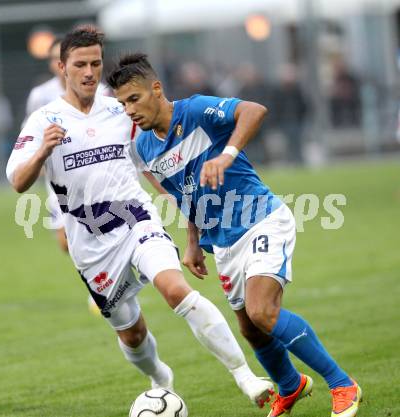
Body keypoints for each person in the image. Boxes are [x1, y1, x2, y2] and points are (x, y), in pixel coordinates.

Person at [6, 25, 274, 407]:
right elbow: (18, 181)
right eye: (80, 64)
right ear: (62, 67)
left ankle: (246, 377)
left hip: (136, 218)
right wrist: (41, 153)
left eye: (95, 63)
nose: (89, 72)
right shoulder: (43, 120)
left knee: (175, 290)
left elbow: (155, 166)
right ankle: (158, 377)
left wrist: (190, 222)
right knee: (130, 332)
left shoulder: (121, 109)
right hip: (90, 242)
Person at [107, 53, 362, 417]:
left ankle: (343, 385)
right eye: (122, 104)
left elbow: (254, 110)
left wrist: (227, 154)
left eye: (134, 99)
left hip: (260, 219)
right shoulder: (145, 149)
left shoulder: (194, 111)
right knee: (250, 329)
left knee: (263, 312)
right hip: (221, 241)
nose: (129, 110)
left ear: (156, 89)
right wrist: (193, 243)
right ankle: (291, 386)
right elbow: (184, 197)